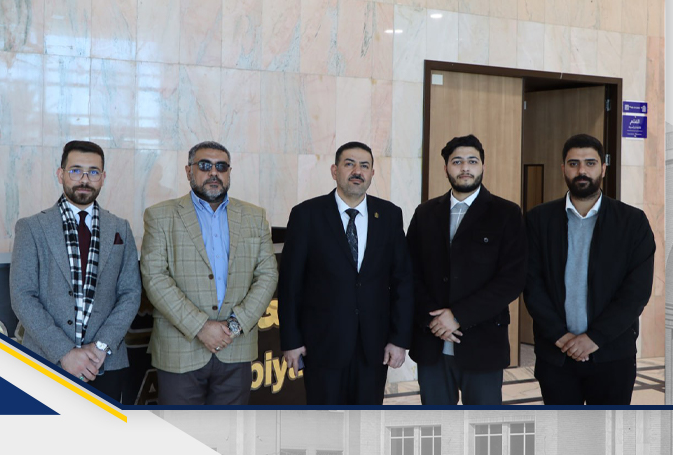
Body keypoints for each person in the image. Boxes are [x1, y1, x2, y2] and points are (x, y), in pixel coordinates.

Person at [140, 141, 277, 405]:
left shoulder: (255, 216)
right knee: (180, 430)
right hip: (180, 350)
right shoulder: (160, 216)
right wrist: (201, 327)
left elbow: (268, 274)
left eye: (221, 167)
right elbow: (155, 277)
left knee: (229, 430)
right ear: (188, 171)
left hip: (236, 349)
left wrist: (234, 326)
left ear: (229, 172)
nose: (214, 173)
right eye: (204, 165)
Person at [524, 133, 655, 405]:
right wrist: (560, 336)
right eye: (573, 164)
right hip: (556, 355)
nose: (581, 170)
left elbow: (636, 292)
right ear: (563, 168)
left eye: (590, 163)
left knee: (607, 431)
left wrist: (594, 338)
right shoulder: (539, 220)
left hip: (612, 356)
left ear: (603, 168)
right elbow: (531, 283)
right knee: (562, 430)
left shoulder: (632, 222)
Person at [278, 141, 413, 405]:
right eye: (349, 164)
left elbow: (403, 282)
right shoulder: (306, 215)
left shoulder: (389, 215)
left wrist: (399, 339)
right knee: (325, 422)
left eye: (364, 166)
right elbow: (290, 284)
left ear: (372, 173)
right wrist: (291, 340)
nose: (357, 171)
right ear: (334, 170)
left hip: (374, 347)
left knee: (367, 421)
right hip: (321, 345)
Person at [10, 140, 141, 402]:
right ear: (61, 175)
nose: (84, 179)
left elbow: (130, 293)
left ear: (103, 178)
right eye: (75, 170)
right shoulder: (32, 228)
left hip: (105, 363)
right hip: (46, 359)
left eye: (93, 172)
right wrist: (65, 352)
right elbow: (22, 296)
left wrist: (101, 347)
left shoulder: (120, 228)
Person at [406, 135, 527, 405]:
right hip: (431, 344)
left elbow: (512, 279)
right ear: (446, 168)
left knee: (482, 426)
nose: (465, 168)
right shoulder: (425, 213)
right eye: (457, 161)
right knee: (437, 426)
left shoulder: (506, 213)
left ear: (483, 166)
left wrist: (458, 316)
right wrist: (434, 320)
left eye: (472, 161)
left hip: (483, 344)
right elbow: (409, 272)